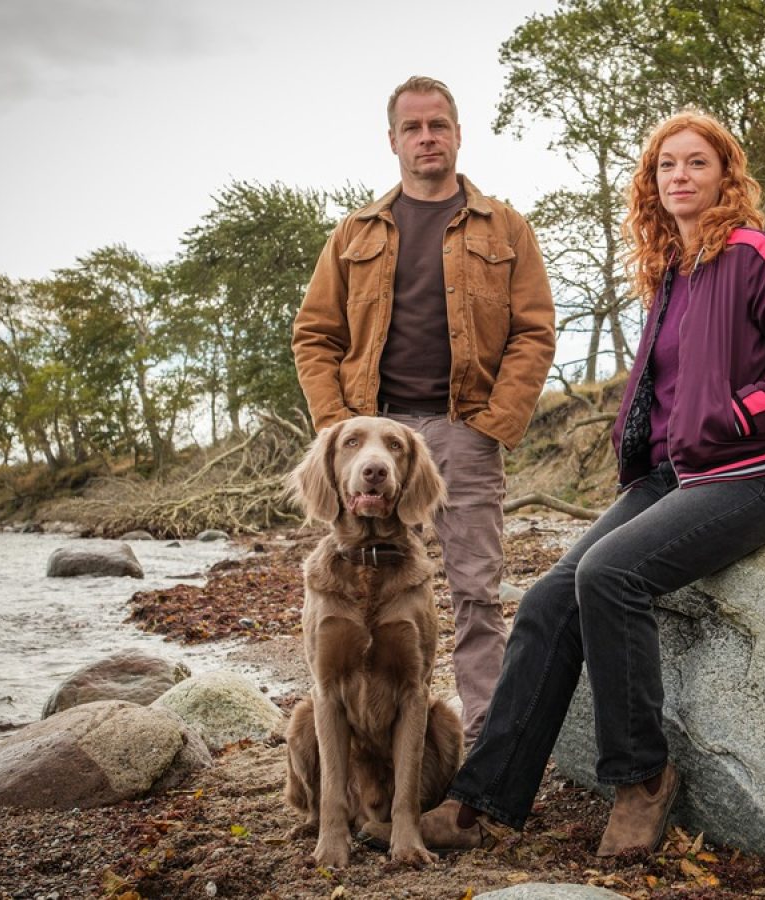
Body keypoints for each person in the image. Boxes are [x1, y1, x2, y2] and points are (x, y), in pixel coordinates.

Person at [421, 110, 765, 857]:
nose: (680, 175)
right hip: (670, 476)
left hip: (750, 475)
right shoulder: (670, 271)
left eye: (697, 162)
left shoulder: (753, 252)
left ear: (725, 174)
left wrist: (738, 415)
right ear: (651, 183)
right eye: (665, 165)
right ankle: (481, 798)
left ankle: (642, 778)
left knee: (611, 575)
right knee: (549, 598)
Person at [292, 76, 556, 746]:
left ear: (458, 134)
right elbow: (315, 334)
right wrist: (337, 428)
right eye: (412, 127)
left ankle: (487, 753)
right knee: (354, 590)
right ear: (393, 141)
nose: (426, 137)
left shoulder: (505, 227)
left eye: (438, 125)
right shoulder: (355, 233)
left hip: (462, 428)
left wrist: (493, 422)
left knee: (475, 592)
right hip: (371, 434)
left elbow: (534, 331)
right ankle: (369, 741)